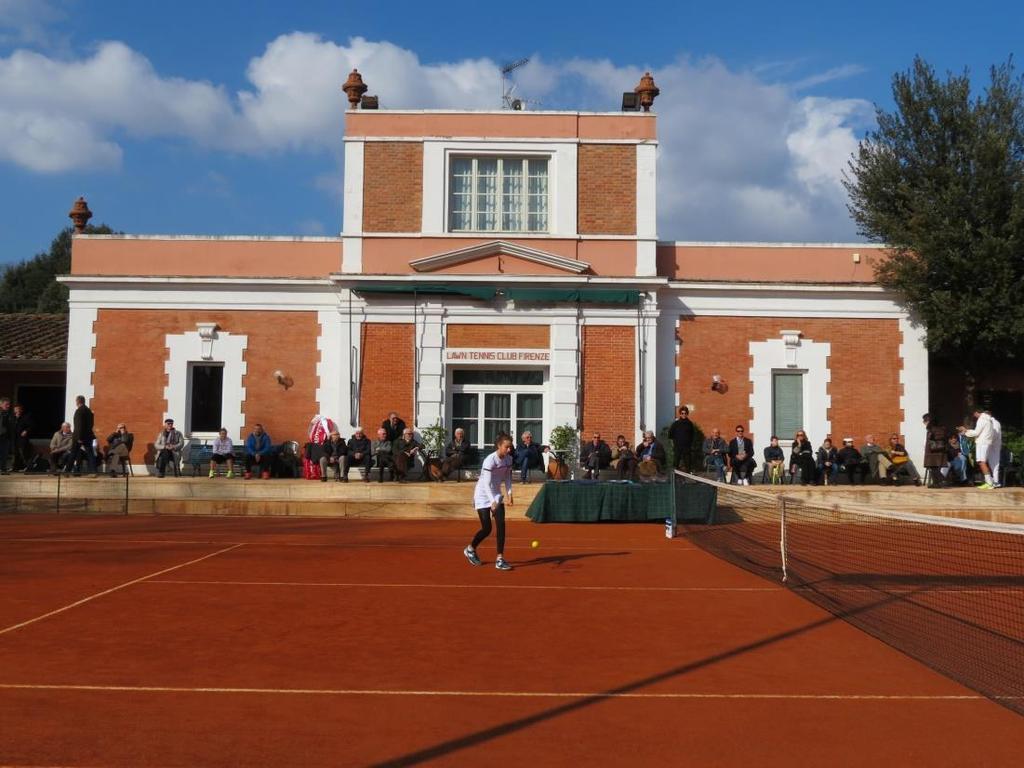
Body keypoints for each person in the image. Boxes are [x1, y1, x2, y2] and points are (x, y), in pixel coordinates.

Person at [463, 433, 514, 571]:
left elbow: (508, 478)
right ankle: (470, 549)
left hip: (496, 494)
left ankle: (499, 558)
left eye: (510, 447)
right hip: (482, 494)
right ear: (499, 446)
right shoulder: (489, 460)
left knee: (501, 525)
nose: (509, 449)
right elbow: (486, 483)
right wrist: (492, 502)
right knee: (487, 528)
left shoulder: (509, 460)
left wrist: (510, 494)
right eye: (506, 447)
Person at [960, 408, 1002, 489]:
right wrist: (967, 431)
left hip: (982, 443)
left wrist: (965, 431)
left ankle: (989, 483)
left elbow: (976, 432)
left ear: (976, 412)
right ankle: (989, 482)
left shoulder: (982, 419)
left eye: (974, 414)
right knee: (981, 462)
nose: (974, 416)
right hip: (985, 443)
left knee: (981, 461)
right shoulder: (988, 420)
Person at [71, 395, 97, 476]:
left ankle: (67, 471)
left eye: (76, 401)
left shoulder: (79, 411)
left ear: (78, 401)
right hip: (88, 436)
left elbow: (79, 425)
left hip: (79, 437)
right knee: (90, 454)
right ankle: (94, 471)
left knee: (73, 453)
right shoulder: (89, 411)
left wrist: (79, 437)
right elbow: (91, 424)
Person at [922, 413, 948, 486]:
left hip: (932, 451)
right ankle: (936, 484)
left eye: (925, 420)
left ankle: (942, 480)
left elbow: (931, 440)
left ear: (928, 421)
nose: (924, 422)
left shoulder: (931, 429)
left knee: (933, 467)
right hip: (940, 450)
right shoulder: (941, 428)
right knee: (936, 467)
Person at [668, 406, 695, 472]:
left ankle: (688, 476)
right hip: (677, 446)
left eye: (685, 413)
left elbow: (692, 435)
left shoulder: (690, 424)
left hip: (687, 447)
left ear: (687, 414)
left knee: (687, 462)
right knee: (676, 461)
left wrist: (690, 444)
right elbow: (670, 434)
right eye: (682, 413)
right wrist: (673, 444)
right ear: (680, 414)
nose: (684, 415)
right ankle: (674, 476)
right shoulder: (676, 424)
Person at [12, 404, 33, 471]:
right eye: (15, 409)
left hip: (22, 438)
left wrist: (26, 431)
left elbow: (31, 426)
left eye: (18, 409)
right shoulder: (13, 417)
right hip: (15, 438)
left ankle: (29, 467)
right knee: (16, 453)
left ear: (21, 410)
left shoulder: (26, 417)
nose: (16, 411)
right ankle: (16, 467)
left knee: (24, 452)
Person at [0, 397, 12, 474]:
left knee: (4, 453)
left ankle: (3, 468)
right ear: (1, 404)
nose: (8, 406)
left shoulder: (8, 414)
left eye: (9, 404)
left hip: (5, 436)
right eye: (6, 404)